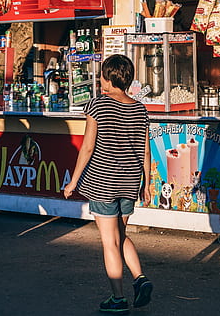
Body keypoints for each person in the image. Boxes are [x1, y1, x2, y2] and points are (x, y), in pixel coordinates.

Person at [64, 54, 153, 314]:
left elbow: (88, 147)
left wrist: (73, 181)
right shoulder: (140, 109)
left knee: (109, 242)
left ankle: (118, 298)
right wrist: (147, 184)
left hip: (103, 182)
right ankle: (140, 278)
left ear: (108, 78)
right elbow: (145, 149)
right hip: (129, 180)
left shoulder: (98, 105)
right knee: (121, 235)